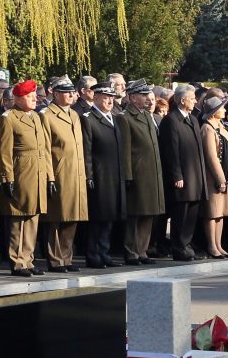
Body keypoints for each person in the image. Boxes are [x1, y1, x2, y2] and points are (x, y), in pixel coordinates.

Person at [0, 80, 52, 277]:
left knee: (32, 217)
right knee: (18, 219)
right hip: (21, 172)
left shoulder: (37, 117)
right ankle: (17, 261)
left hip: (37, 172)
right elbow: (4, 151)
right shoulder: (9, 118)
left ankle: (28, 259)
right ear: (18, 99)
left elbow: (44, 148)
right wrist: (7, 178)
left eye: (34, 96)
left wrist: (49, 176)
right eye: (29, 96)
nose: (34, 99)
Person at [41, 77, 88, 272]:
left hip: (76, 172)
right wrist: (50, 176)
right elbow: (45, 149)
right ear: (55, 93)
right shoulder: (46, 115)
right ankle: (55, 259)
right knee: (56, 218)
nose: (71, 95)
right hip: (59, 172)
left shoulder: (74, 115)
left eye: (72, 91)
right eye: (66, 92)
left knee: (73, 217)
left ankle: (67, 258)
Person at [79, 81, 126, 268]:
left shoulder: (115, 118)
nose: (109, 101)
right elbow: (87, 150)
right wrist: (89, 176)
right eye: (105, 97)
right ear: (95, 97)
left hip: (114, 175)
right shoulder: (88, 118)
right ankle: (93, 254)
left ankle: (104, 252)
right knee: (97, 218)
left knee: (109, 217)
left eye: (112, 97)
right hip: (99, 175)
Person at [120, 80, 166, 264]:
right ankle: (131, 251)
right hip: (138, 174)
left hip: (152, 172)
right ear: (132, 98)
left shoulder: (148, 116)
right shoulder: (125, 118)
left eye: (148, 95)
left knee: (149, 213)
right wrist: (128, 176)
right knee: (135, 214)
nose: (148, 99)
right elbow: (126, 150)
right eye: (143, 95)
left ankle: (143, 251)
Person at [159, 85, 206, 261]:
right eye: (191, 98)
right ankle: (179, 247)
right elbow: (171, 151)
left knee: (192, 212)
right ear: (181, 100)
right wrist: (177, 175)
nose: (195, 101)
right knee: (181, 213)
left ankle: (187, 245)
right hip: (182, 177)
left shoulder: (193, 119)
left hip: (195, 175)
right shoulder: (171, 120)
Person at [199, 97, 228, 258]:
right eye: (221, 108)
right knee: (212, 212)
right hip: (214, 178)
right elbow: (211, 157)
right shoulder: (207, 129)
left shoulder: (221, 127)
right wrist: (220, 179)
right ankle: (212, 245)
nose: (225, 110)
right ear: (214, 113)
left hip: (226, 175)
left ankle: (219, 245)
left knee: (221, 213)